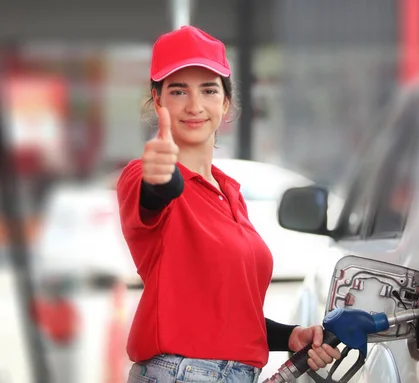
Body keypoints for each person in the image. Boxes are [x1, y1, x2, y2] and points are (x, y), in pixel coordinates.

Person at [117, 26, 341, 383]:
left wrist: (290, 336)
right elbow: (155, 192)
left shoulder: (229, 193)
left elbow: (227, 317)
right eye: (178, 91)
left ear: (224, 102)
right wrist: (161, 175)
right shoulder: (142, 176)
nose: (194, 105)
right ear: (157, 101)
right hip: (179, 374)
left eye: (208, 89)